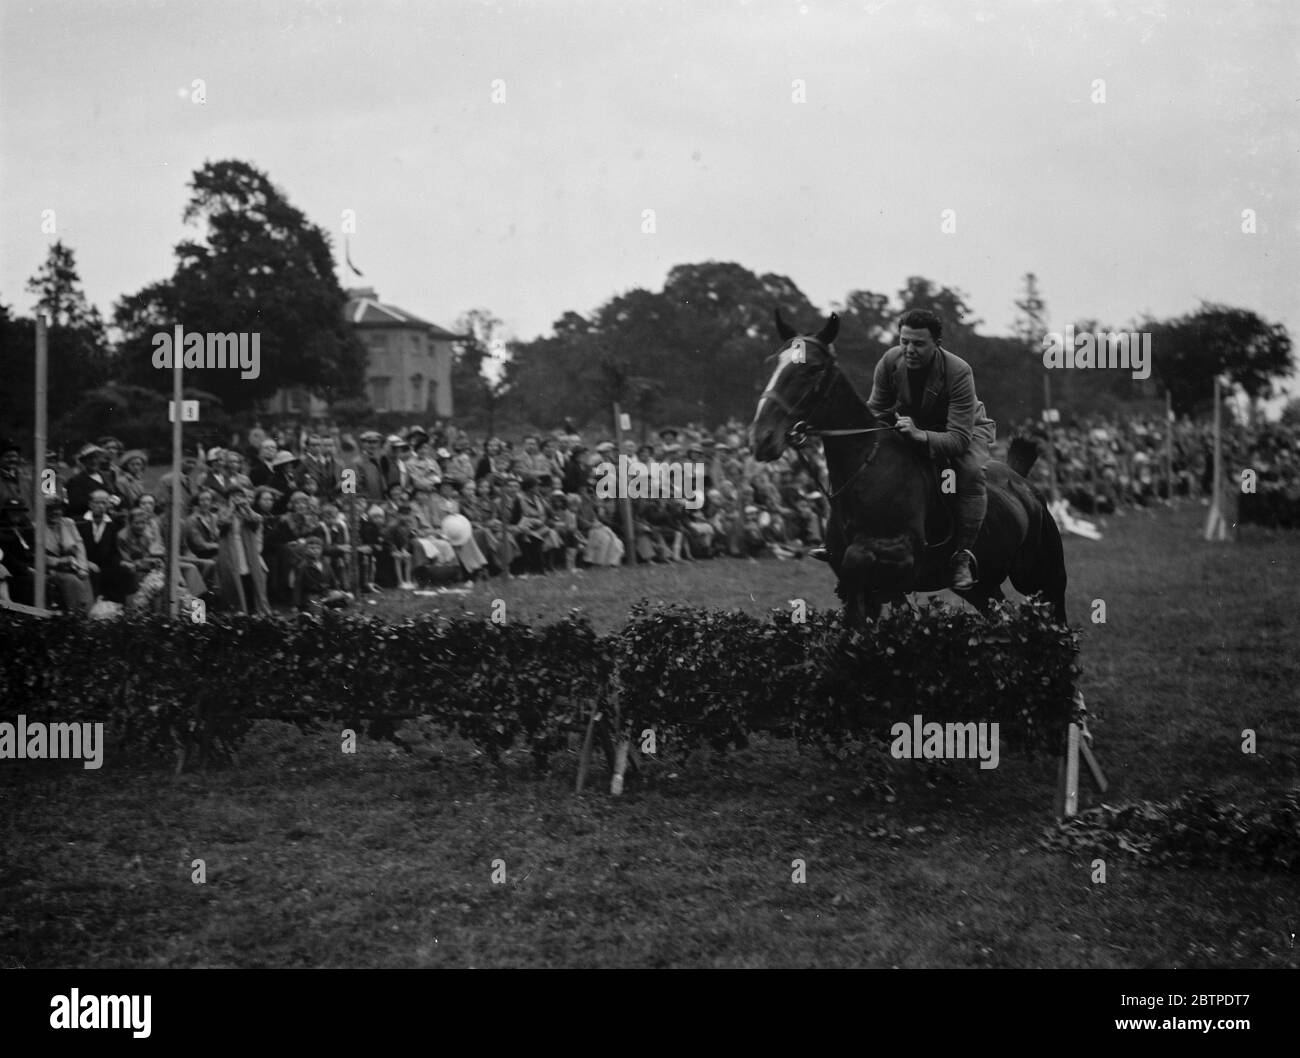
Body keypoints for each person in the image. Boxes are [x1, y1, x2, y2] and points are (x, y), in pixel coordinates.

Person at [819, 308, 995, 590]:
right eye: (904, 341)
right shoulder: (890, 360)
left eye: (918, 344)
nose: (909, 349)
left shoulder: (959, 371)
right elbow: (875, 410)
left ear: (937, 344)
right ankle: (837, 539)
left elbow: (958, 439)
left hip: (964, 430)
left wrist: (919, 435)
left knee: (970, 472)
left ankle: (962, 556)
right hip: (909, 424)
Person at [43, 496, 94, 614]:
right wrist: (59, 562)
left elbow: (80, 546)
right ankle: (75, 615)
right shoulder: (37, 526)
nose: (55, 512)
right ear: (44, 511)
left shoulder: (68, 523)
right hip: (53, 569)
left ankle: (88, 615)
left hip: (73, 565)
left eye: (58, 509)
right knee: (71, 580)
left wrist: (83, 567)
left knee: (86, 575)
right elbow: (39, 556)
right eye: (50, 509)